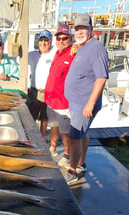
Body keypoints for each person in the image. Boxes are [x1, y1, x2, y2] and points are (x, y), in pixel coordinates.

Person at [64, 14, 109, 185]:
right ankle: (81, 163)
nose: (80, 31)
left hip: (83, 104)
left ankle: (72, 170)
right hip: (77, 102)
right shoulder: (83, 46)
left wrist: (89, 104)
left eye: (84, 28)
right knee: (83, 134)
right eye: (77, 28)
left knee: (75, 137)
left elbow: (101, 78)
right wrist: (76, 46)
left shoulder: (97, 48)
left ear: (91, 30)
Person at [44, 24, 76, 164]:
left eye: (65, 38)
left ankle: (68, 154)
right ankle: (52, 148)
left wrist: (78, 47)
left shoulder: (74, 53)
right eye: (59, 38)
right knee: (53, 126)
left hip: (64, 103)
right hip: (51, 101)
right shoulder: (56, 53)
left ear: (70, 38)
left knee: (65, 131)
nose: (61, 41)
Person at [28, 30, 56, 136]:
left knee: (45, 119)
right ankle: (30, 138)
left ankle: (42, 140)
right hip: (34, 91)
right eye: (41, 40)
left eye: (46, 40)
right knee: (31, 118)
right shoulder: (32, 54)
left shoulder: (54, 52)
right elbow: (18, 59)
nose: (43, 43)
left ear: (50, 41)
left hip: (49, 92)